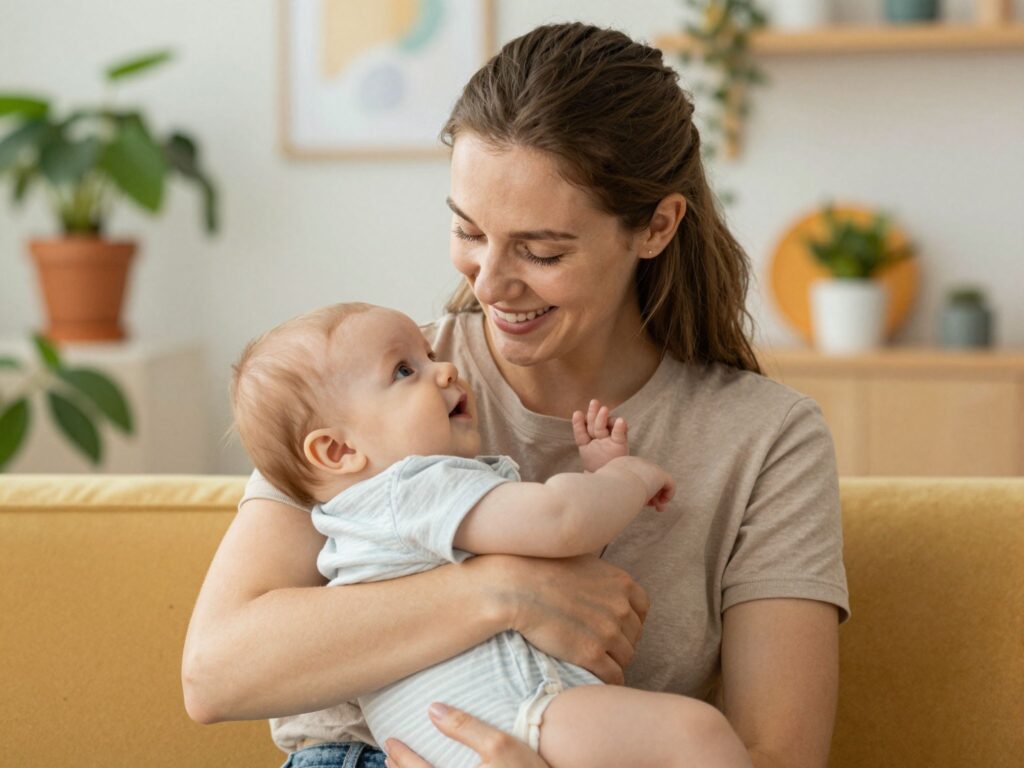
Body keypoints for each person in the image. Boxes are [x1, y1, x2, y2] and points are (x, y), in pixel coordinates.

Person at [183, 21, 849, 768]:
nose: (490, 284)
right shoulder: (367, 386)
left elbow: (777, 756)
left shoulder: (765, 439)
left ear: (656, 226)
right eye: (469, 231)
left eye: (541, 250)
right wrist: (508, 590)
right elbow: (215, 674)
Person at [230, 303, 758, 768]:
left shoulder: (377, 521)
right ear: (338, 452)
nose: (445, 371)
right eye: (404, 370)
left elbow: (561, 566)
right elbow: (560, 522)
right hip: (510, 717)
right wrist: (628, 478)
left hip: (467, 738)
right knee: (698, 735)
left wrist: (594, 486)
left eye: (430, 355)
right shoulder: (411, 489)